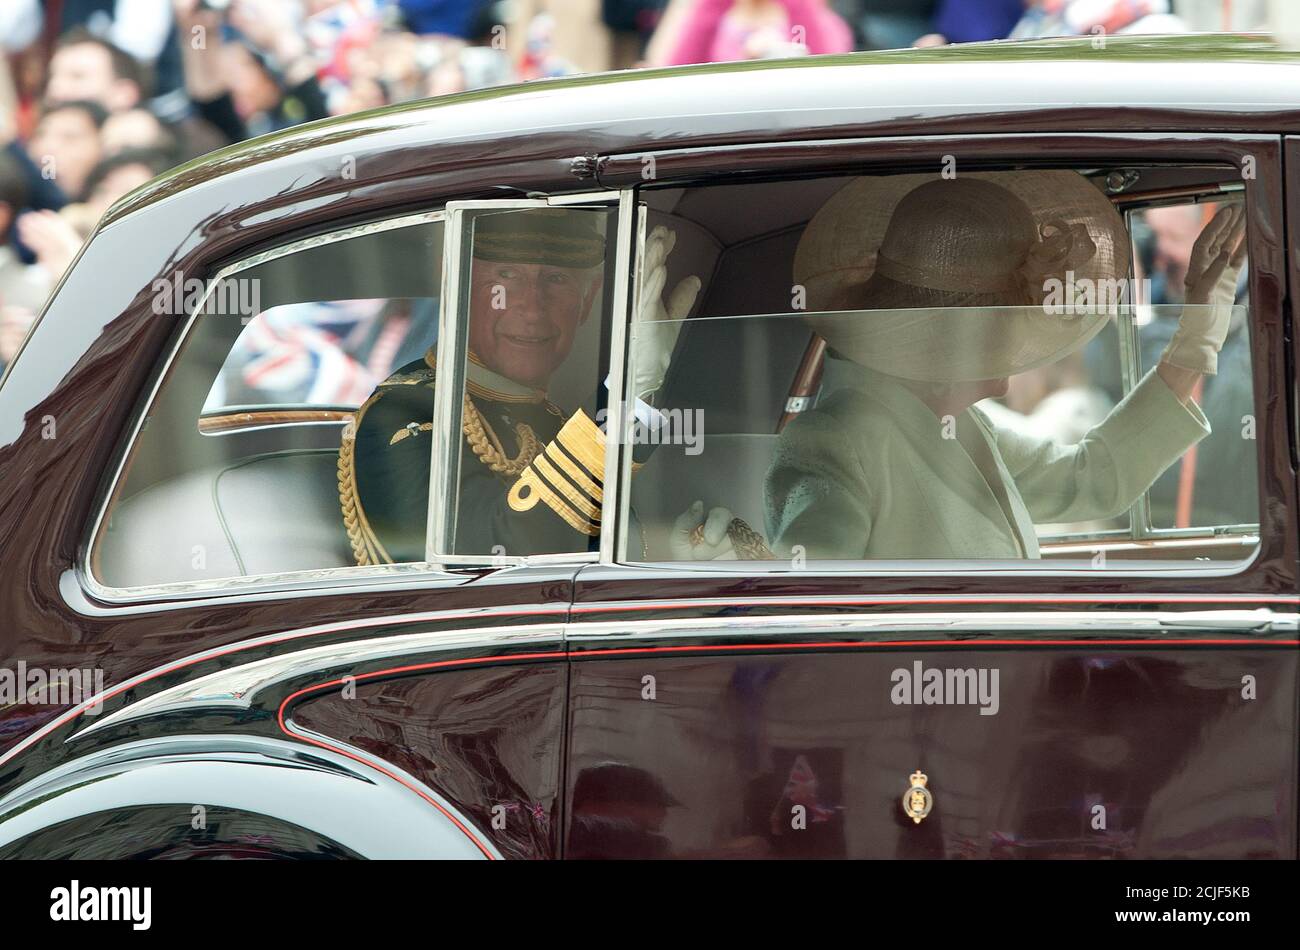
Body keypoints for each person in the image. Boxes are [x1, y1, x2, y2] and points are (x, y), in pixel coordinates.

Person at [751, 173, 1243, 560]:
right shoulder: (836, 439)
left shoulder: (962, 426)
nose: (1024, 329)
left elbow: (1093, 478)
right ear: (947, 334)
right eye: (1008, 312)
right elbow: (811, 597)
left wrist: (1196, 337)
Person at [340, 211, 699, 564]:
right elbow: (490, 567)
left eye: (556, 279)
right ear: (457, 287)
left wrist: (669, 556)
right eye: (506, 275)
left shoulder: (560, 423)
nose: (532, 309)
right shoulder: (403, 416)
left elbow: (583, 560)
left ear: (587, 301)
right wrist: (628, 391)